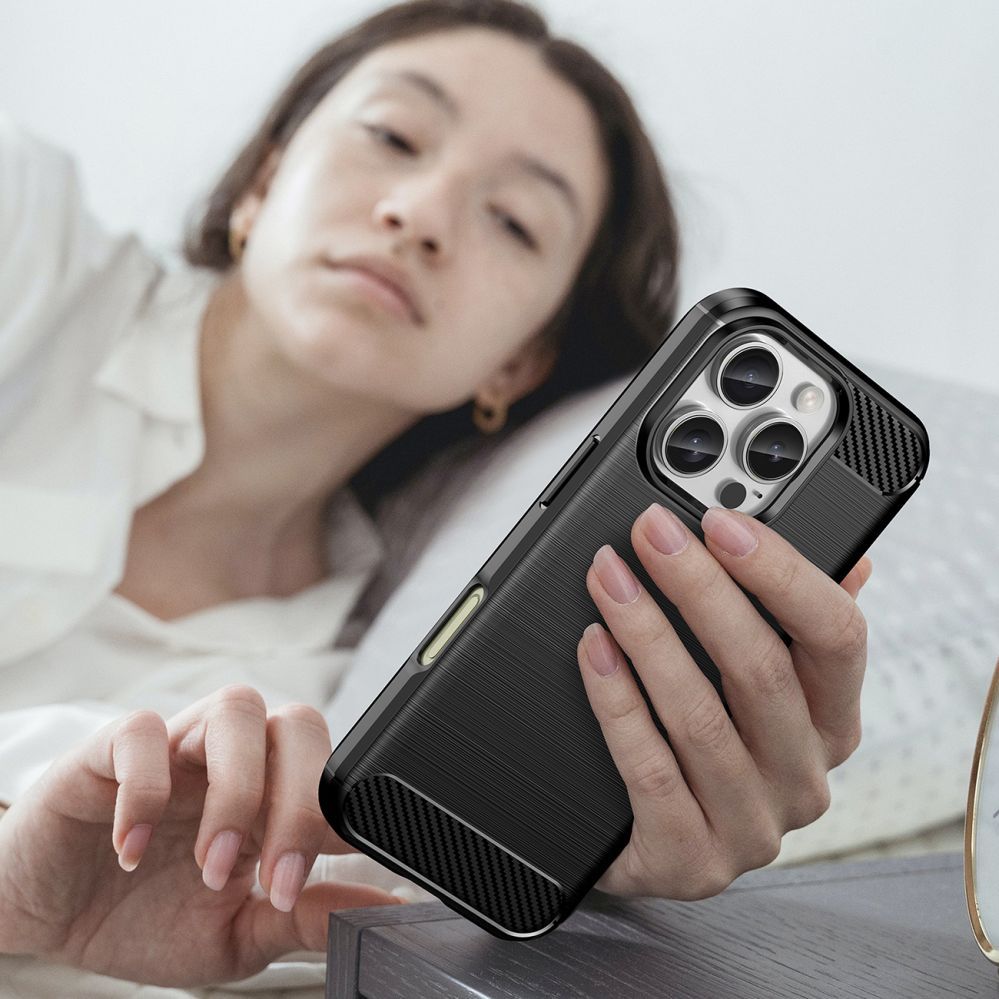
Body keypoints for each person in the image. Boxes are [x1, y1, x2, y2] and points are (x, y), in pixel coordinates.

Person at [0, 0, 873, 993]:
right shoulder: (22, 230)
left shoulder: (317, 736)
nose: (419, 215)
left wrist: (584, 865)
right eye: (392, 135)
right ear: (262, 181)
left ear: (520, 362)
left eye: (513, 221)